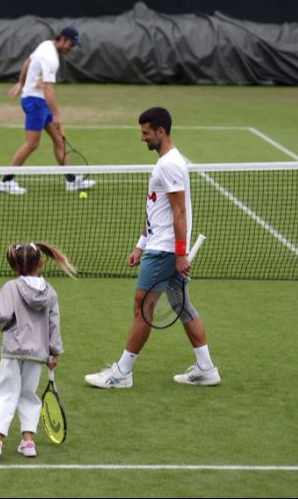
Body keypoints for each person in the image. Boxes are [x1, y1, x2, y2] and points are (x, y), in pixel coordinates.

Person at [84, 107, 221, 388]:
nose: (142, 138)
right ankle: (207, 369)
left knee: (143, 308)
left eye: (146, 133)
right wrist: (139, 244)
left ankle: (120, 374)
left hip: (164, 252)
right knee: (181, 305)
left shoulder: (169, 165)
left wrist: (180, 253)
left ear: (160, 132)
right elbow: (156, 209)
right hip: (160, 246)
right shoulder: (167, 162)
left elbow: (179, 211)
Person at [0, 241, 76, 460]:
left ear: (15, 266)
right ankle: (28, 443)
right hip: (37, 354)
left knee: (5, 392)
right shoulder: (50, 291)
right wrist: (55, 352)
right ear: (41, 262)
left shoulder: (10, 288)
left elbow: (3, 316)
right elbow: (54, 323)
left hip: (13, 351)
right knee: (28, 395)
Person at [0, 27, 95, 195]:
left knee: (59, 140)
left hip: (39, 101)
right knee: (32, 144)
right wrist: (56, 114)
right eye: (70, 45)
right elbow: (48, 89)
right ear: (62, 39)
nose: (70, 49)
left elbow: (28, 62)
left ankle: (71, 181)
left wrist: (20, 83)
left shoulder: (45, 45)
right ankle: (6, 181)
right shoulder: (51, 58)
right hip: (35, 102)